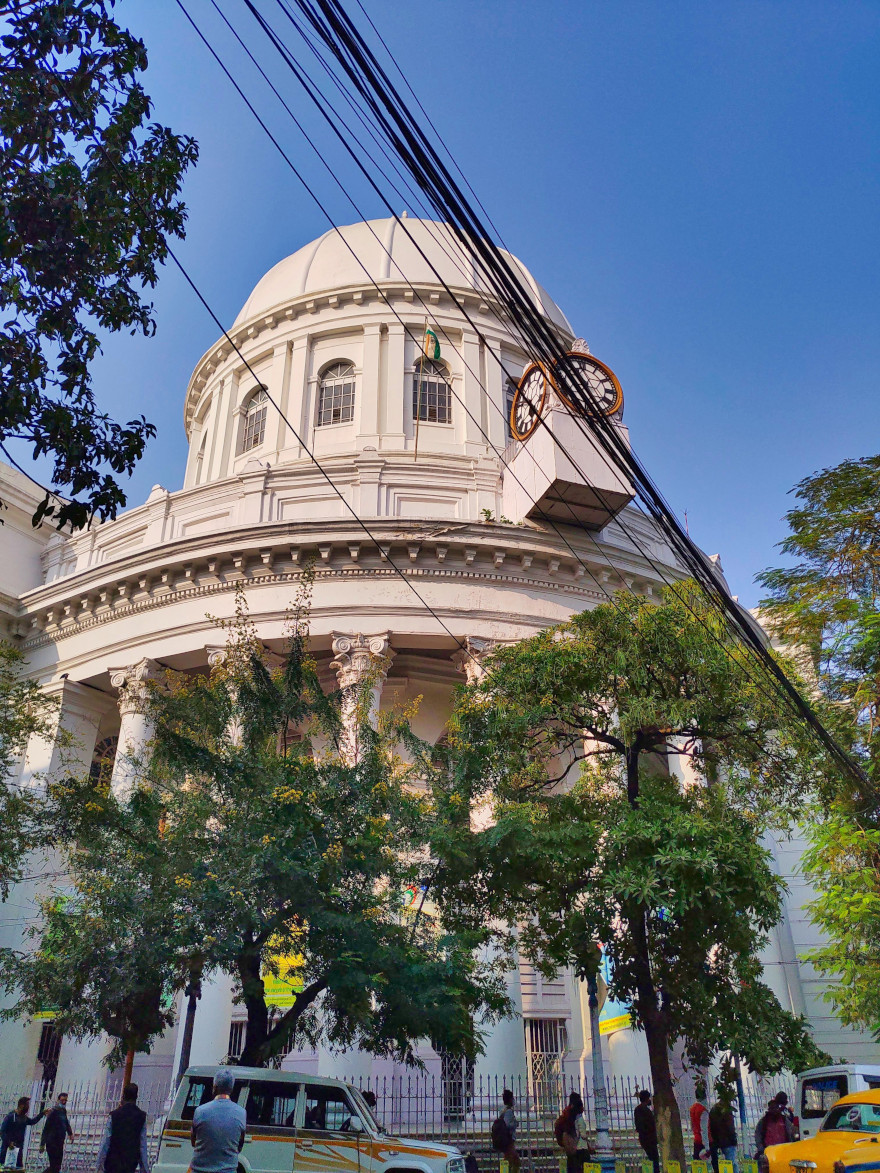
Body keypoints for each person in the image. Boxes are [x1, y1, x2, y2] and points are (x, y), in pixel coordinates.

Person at [190, 1070, 246, 1173]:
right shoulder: (241, 1113)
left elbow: (193, 1142)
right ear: (231, 1089)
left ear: (214, 1087)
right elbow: (239, 1145)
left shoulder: (200, 1111)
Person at [97, 1084, 150, 1173]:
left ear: (123, 1096)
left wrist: (99, 1164)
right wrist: (144, 1169)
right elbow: (142, 1145)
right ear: (136, 1097)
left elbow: (106, 1141)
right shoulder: (142, 1116)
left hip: (112, 1162)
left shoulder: (114, 1115)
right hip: (130, 1163)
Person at [1, 1097, 45, 1168]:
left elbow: (32, 1121)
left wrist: (42, 1114)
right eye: (27, 1104)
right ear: (21, 1105)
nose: (28, 1107)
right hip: (8, 1149)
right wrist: (9, 1142)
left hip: (18, 1148)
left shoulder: (23, 1117)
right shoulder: (11, 1116)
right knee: (5, 1168)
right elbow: (2, 1131)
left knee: (18, 1168)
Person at [39, 1093, 73, 1173]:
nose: (64, 1102)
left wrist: (70, 1133)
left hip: (60, 1142)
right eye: (62, 1100)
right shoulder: (53, 1111)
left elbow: (66, 1122)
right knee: (54, 1166)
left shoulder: (63, 1111)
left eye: (65, 1100)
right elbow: (46, 1128)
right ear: (58, 1100)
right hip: (52, 1142)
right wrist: (42, 1143)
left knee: (57, 1167)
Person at [708, 1088, 739, 1173]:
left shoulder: (713, 1109)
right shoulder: (726, 1110)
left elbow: (711, 1125)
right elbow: (730, 1127)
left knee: (724, 1166)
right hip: (728, 1141)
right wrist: (734, 1139)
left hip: (717, 1141)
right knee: (732, 1164)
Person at [634, 1090, 659, 1173]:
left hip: (643, 1137)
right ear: (647, 1099)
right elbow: (651, 1125)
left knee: (652, 1158)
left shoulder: (637, 1109)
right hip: (649, 1138)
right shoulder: (646, 1111)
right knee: (654, 1159)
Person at [570, 1092, 592, 1173]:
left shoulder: (573, 1118)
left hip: (576, 1148)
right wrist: (588, 1140)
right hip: (582, 1148)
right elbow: (582, 1134)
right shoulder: (580, 1119)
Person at [500, 1089, 519, 1173]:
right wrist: (515, 1123)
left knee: (510, 1159)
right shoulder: (508, 1111)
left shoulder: (504, 1110)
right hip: (509, 1139)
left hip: (507, 1139)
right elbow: (507, 1125)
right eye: (512, 1098)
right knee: (514, 1161)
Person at [690, 1082, 710, 1162]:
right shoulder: (703, 1110)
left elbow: (692, 1125)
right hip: (703, 1141)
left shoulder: (692, 1108)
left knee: (696, 1165)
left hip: (696, 1139)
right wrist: (707, 1147)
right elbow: (704, 1129)